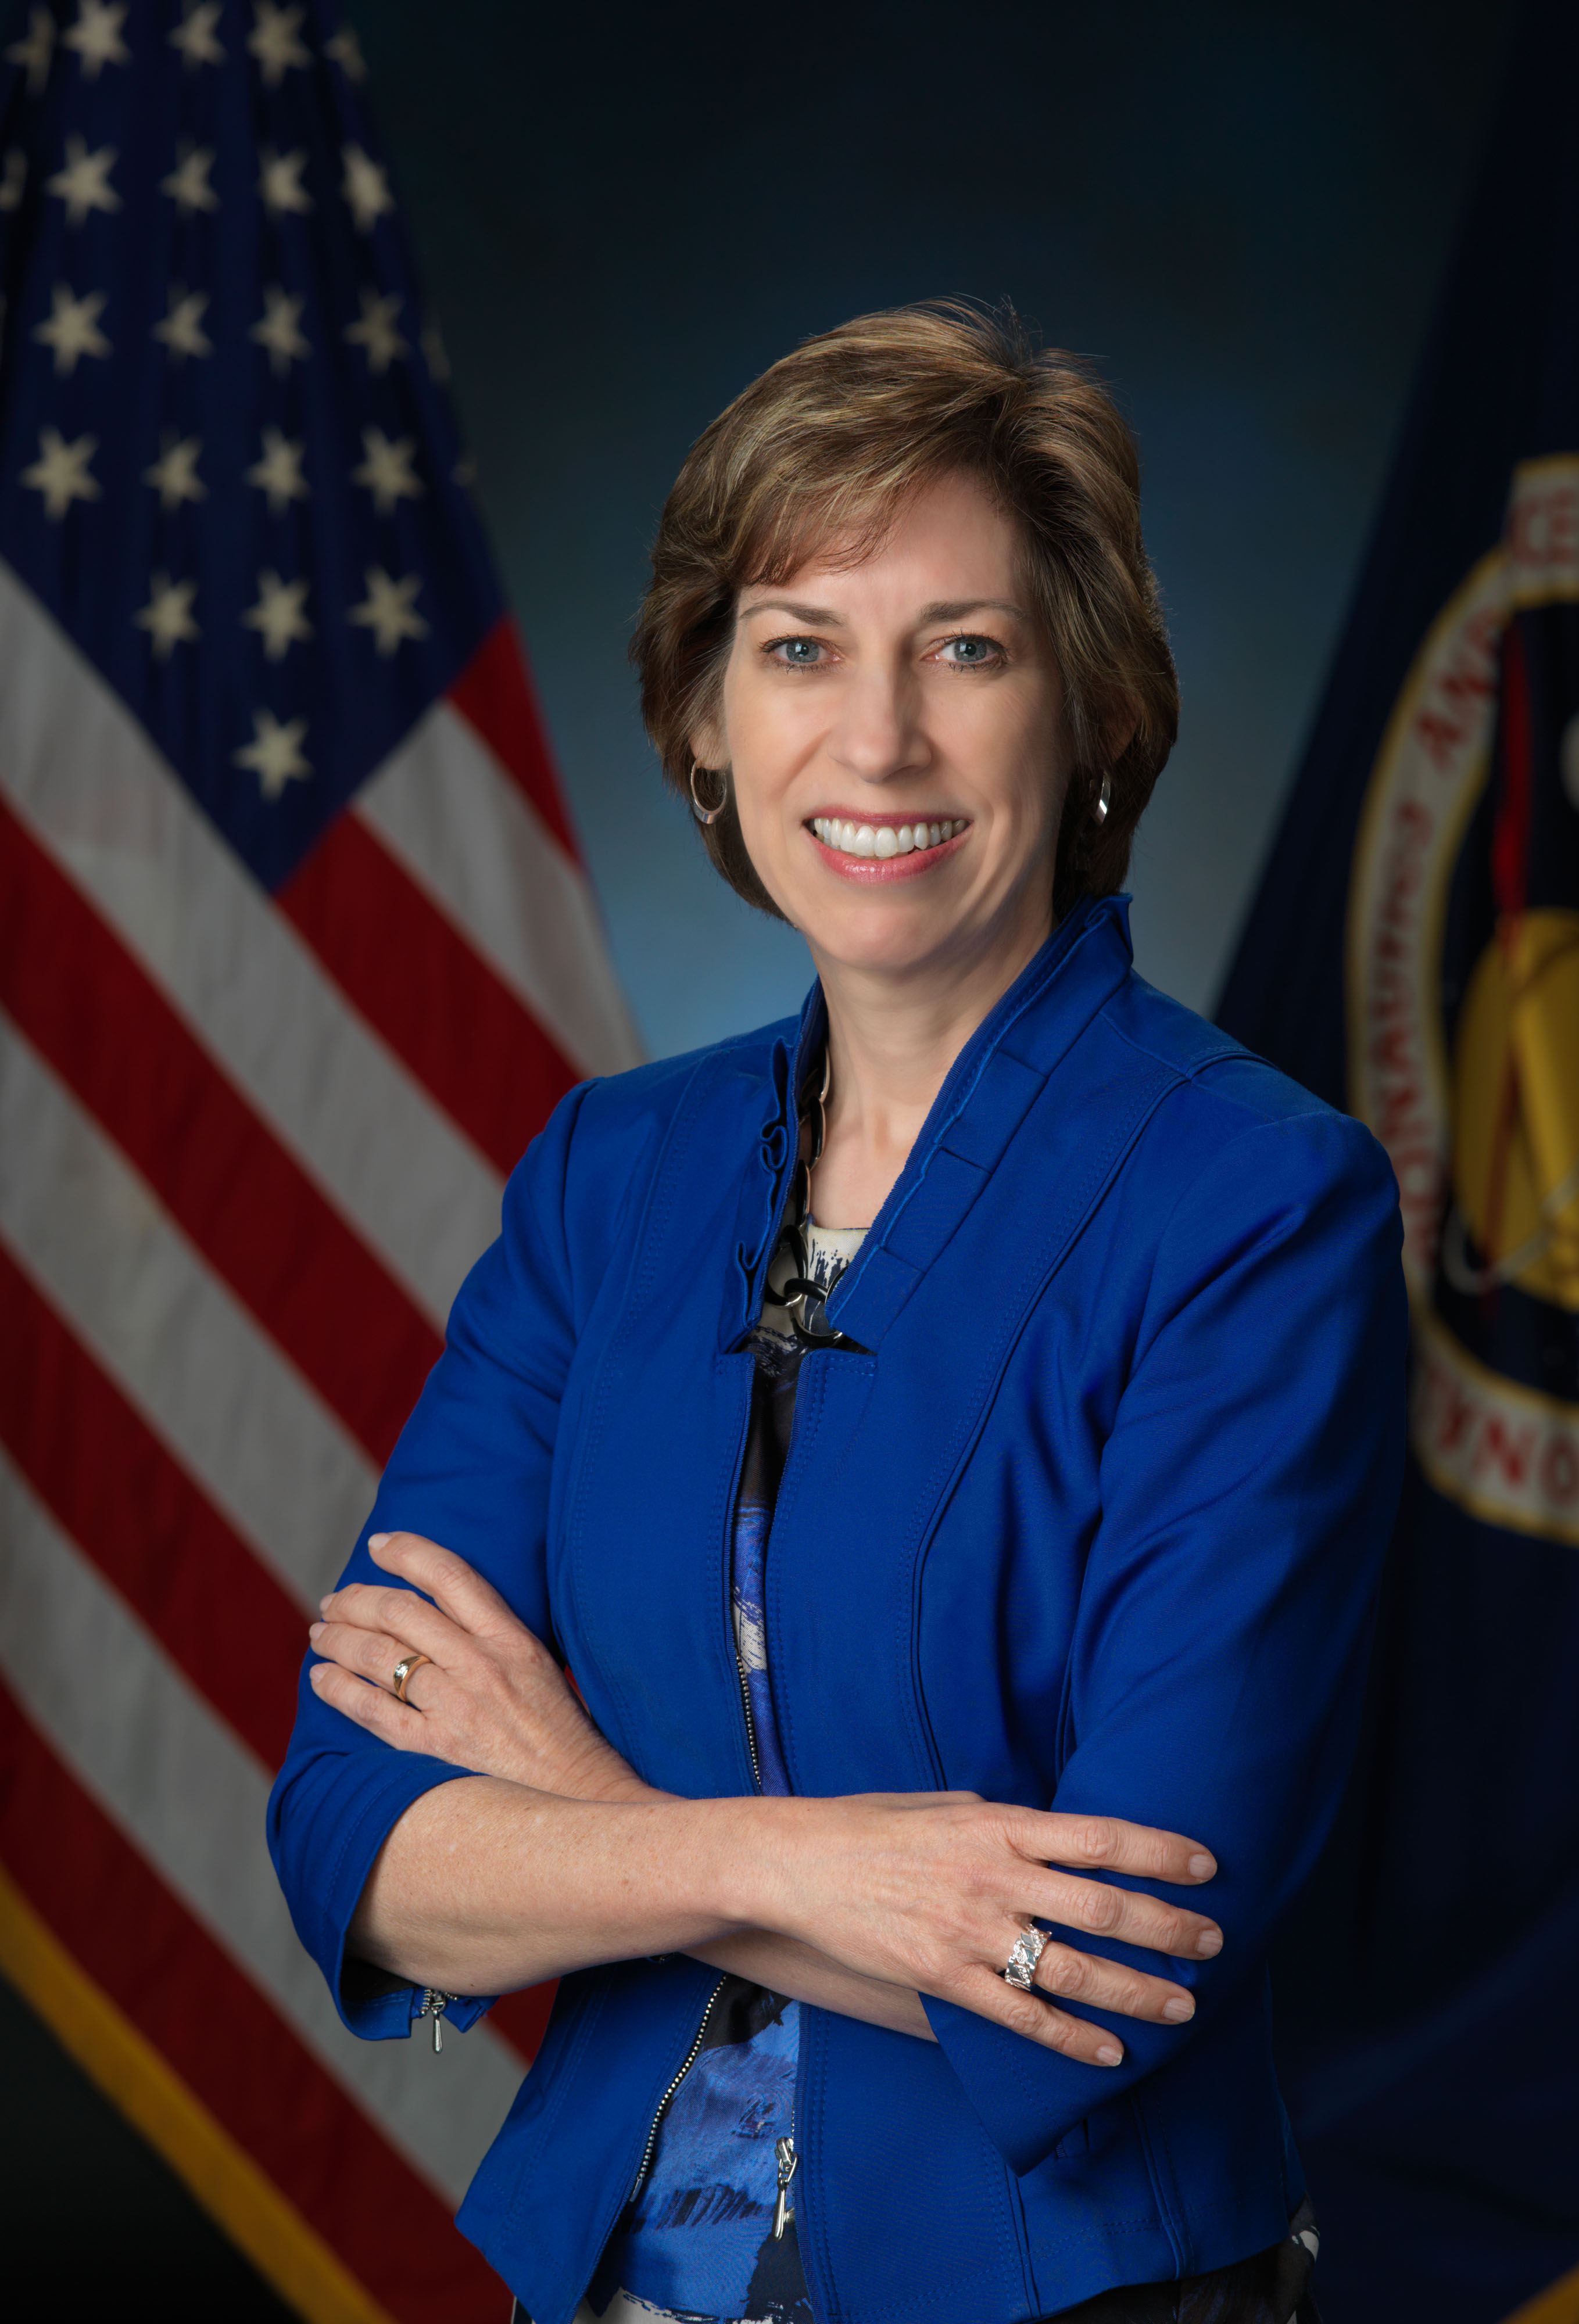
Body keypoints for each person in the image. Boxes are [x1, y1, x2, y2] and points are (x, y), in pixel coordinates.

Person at [268, 302, 1406, 2324]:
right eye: (798, 646)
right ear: (705, 718)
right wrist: (798, 1869)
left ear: (1094, 710)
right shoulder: (609, 1180)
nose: (875, 741)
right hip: (615, 2282)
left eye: (964, 650)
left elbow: (1110, 1979)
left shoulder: (1256, 1206)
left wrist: (594, 1820)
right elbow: (356, 1839)